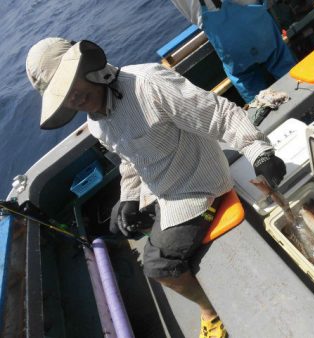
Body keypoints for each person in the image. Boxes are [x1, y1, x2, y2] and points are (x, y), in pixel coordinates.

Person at [26, 37, 286, 338]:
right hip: (163, 187)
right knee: (123, 226)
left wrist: (259, 152)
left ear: (85, 66)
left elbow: (219, 115)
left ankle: (209, 310)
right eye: (62, 95)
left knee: (157, 265)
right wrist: (128, 198)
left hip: (200, 186)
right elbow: (129, 162)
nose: (72, 98)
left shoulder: (148, 83)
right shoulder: (97, 123)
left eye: (70, 83)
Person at [170, 0, 297, 103]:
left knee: (250, 87)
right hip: (255, 20)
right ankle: (302, 97)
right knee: (282, 63)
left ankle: (267, 117)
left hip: (225, 40)